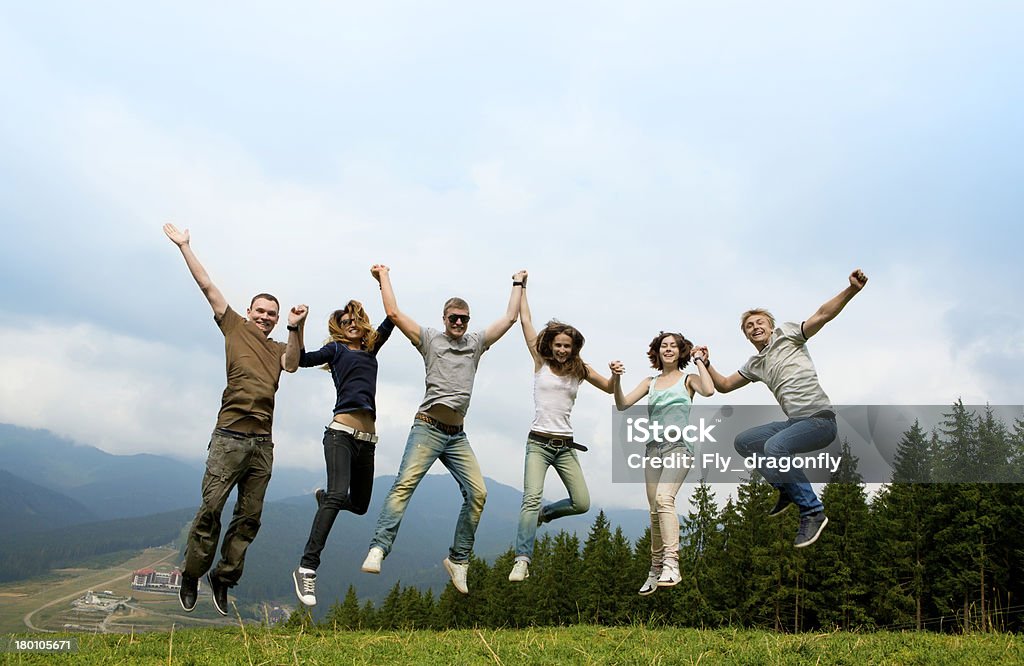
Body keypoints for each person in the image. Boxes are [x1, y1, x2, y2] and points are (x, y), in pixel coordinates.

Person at [163, 223, 303, 616]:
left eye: (271, 315)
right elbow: (208, 287)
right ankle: (192, 573)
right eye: (260, 311)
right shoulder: (233, 327)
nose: (264, 317)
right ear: (249, 311)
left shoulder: (279, 346)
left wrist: (296, 325)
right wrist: (185, 247)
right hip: (229, 437)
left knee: (249, 518)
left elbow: (292, 364)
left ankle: (222, 579)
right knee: (210, 510)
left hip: (262, 444)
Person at [360, 265, 527, 594]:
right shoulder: (429, 339)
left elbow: (509, 318)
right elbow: (393, 313)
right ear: (444, 317)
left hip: (456, 436)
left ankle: (458, 560)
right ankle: (379, 547)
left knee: (478, 493)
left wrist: (518, 283)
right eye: (454, 317)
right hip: (427, 428)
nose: (459, 323)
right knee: (404, 485)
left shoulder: (476, 343)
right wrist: (384, 278)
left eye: (464, 318)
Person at [701, 268, 869, 548]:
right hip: (795, 423)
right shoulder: (755, 364)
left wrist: (851, 290)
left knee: (775, 448)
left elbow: (822, 315)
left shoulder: (789, 335)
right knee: (744, 442)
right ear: (746, 336)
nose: (755, 327)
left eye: (760, 323)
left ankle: (812, 511)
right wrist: (706, 364)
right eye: (749, 327)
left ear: (770, 326)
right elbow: (725, 385)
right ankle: (787, 489)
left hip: (820, 421)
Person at [290, 296, 395, 607]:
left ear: (362, 325)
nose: (350, 324)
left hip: (368, 441)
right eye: (345, 321)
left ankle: (325, 499)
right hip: (340, 435)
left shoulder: (371, 349)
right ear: (339, 328)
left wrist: (382, 281)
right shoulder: (335, 350)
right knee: (339, 495)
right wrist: (297, 327)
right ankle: (307, 567)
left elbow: (391, 316)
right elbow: (299, 361)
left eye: (354, 320)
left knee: (360, 505)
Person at [507, 281, 614, 583]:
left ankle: (545, 514)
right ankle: (522, 559)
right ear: (551, 345)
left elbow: (608, 388)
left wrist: (617, 376)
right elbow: (526, 322)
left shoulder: (580, 369)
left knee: (581, 503)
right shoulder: (540, 362)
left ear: (574, 347)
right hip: (538, 444)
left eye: (568, 346)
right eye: (559, 345)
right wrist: (521, 287)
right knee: (530, 498)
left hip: (566, 446)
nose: (563, 350)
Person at [611, 332, 714, 595]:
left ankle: (672, 563)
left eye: (673, 346)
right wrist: (617, 379)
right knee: (655, 510)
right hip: (653, 450)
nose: (668, 349)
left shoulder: (689, 380)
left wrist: (700, 360)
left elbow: (710, 390)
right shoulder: (650, 382)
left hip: (679, 447)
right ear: (657, 352)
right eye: (663, 346)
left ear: (681, 352)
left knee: (664, 498)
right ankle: (655, 569)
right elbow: (622, 404)